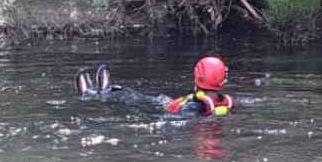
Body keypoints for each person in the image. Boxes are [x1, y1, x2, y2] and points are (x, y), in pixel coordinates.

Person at [74, 57, 236, 118]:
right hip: (169, 103)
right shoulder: (225, 102)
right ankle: (110, 90)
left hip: (163, 109)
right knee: (157, 97)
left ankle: (94, 94)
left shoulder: (195, 106)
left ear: (197, 76)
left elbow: (176, 118)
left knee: (135, 99)